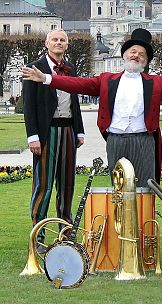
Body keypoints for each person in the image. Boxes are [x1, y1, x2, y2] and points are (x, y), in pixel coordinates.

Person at [22, 28, 162, 188]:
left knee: (145, 187)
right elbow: (77, 84)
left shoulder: (155, 82)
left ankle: (144, 238)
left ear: (145, 61)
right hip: (115, 140)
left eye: (141, 54)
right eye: (133, 52)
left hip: (143, 141)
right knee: (119, 188)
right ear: (124, 55)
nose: (136, 55)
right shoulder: (107, 79)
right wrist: (47, 78)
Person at [23, 29, 85, 252]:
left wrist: (79, 130)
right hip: (46, 133)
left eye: (63, 40)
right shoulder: (34, 67)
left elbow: (75, 101)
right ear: (46, 43)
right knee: (44, 186)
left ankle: (66, 234)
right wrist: (32, 137)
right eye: (55, 40)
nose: (59, 43)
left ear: (67, 45)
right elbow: (28, 106)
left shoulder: (71, 68)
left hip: (68, 130)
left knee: (67, 185)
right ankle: (37, 236)